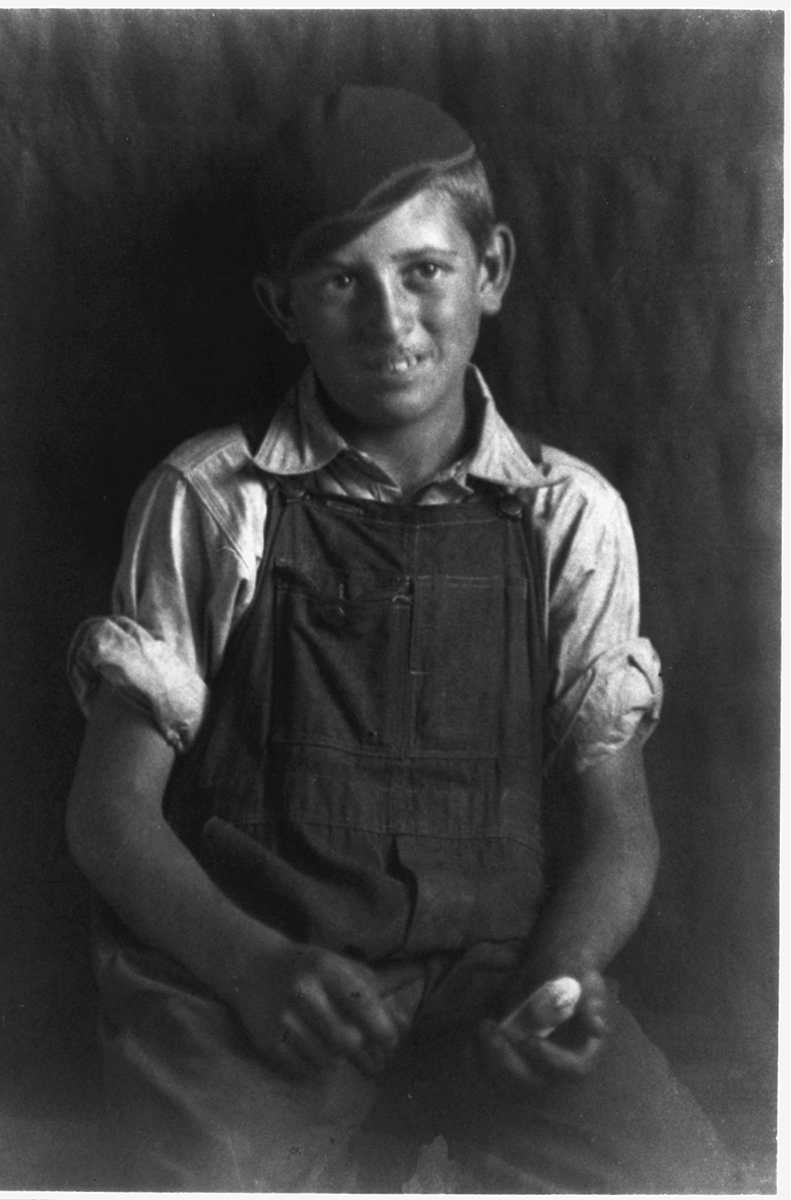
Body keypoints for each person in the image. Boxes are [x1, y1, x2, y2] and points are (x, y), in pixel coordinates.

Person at [67, 86, 738, 1192]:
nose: (390, 319)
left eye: (424, 269)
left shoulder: (570, 516)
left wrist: (558, 981)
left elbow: (620, 827)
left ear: (494, 270)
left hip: (490, 989)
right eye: (341, 281)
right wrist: (253, 966)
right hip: (260, 984)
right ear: (283, 307)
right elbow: (107, 814)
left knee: (681, 1182)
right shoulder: (212, 499)